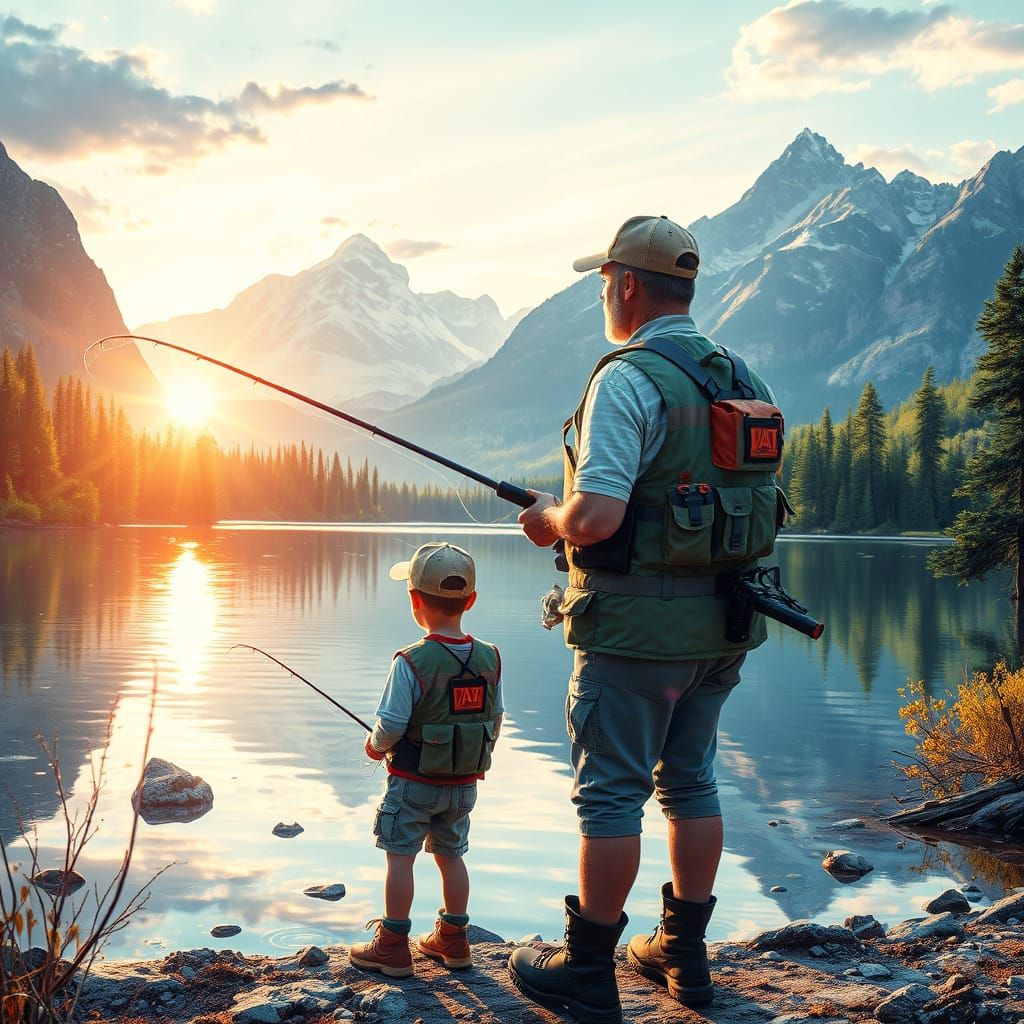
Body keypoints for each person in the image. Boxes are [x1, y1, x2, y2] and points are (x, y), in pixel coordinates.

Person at [508, 215, 784, 1024]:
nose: (603, 292)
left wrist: (548, 519)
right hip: (724, 627)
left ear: (628, 284)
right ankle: (681, 953)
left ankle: (589, 967)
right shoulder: (742, 375)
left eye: (604, 280)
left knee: (611, 796)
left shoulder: (628, 378)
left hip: (635, 636)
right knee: (691, 779)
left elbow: (594, 516)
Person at [349, 541, 503, 978]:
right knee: (452, 856)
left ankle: (393, 945)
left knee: (400, 856)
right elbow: (497, 717)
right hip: (464, 786)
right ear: (469, 601)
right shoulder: (491, 657)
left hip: (413, 782)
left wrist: (375, 747)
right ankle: (454, 940)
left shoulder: (411, 662)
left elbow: (393, 724)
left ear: (415, 601)